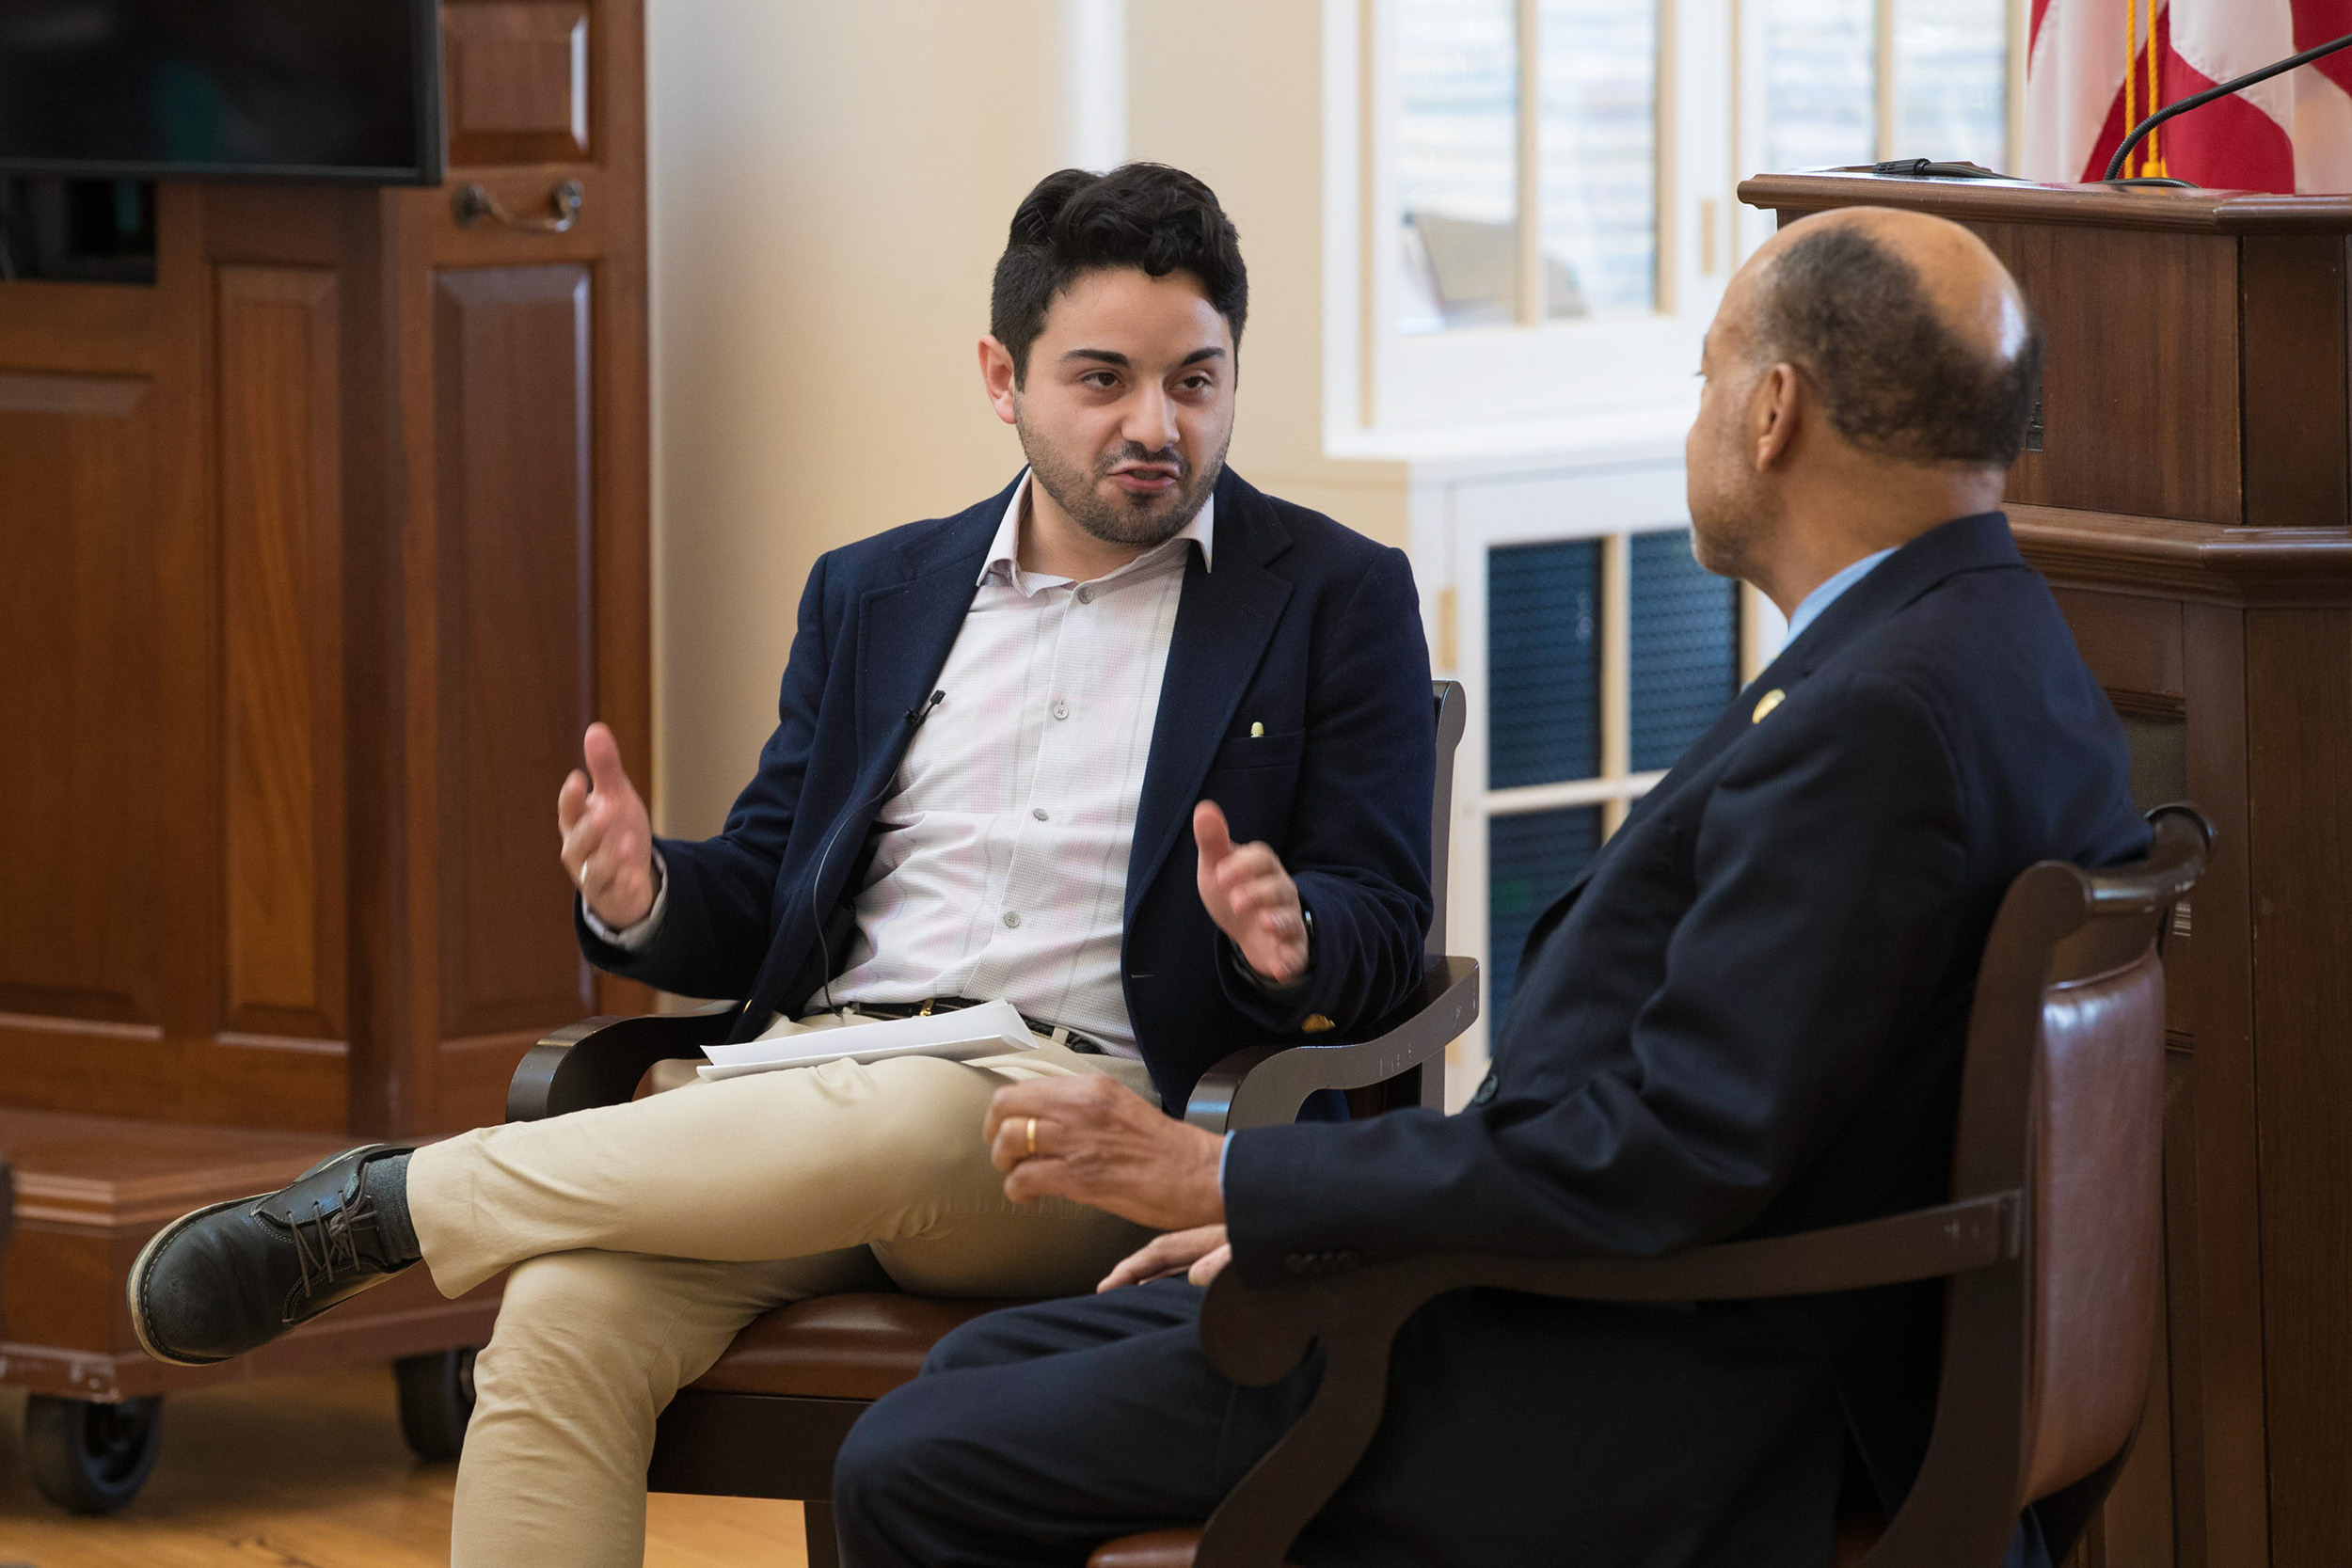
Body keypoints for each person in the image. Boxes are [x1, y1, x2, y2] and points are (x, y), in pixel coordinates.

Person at [124, 163, 1436, 1568]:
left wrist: (1288, 930)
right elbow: (762, 894)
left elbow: (1385, 920)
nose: (1154, 425)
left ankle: (387, 1211)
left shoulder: (1332, 595)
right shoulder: (875, 590)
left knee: (904, 1121)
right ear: (1004, 376)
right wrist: (644, 897)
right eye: (1103, 379)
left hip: (1079, 1127)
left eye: (1196, 380)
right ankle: (399, 1215)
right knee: (563, 1315)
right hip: (806, 1088)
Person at [829, 206, 2150, 1568]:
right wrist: (1309, 1219)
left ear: (1771, 412)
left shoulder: (1879, 722)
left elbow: (1665, 1156)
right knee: (982, 1367)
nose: (1693, 417)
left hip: (1646, 1389)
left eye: (1702, 378)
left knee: (911, 1461)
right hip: (1638, 1311)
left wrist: (1237, 1177)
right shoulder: (1991, 645)